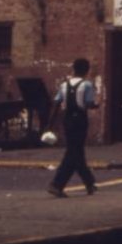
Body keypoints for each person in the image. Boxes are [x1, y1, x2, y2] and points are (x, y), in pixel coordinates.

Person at [46, 58, 99, 197]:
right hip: (80, 119)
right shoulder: (87, 85)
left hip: (67, 119)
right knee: (73, 151)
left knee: (76, 150)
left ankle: (89, 183)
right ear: (87, 70)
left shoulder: (64, 85)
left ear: (73, 69)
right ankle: (57, 184)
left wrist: (49, 125)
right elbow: (88, 104)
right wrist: (96, 105)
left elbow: (57, 104)